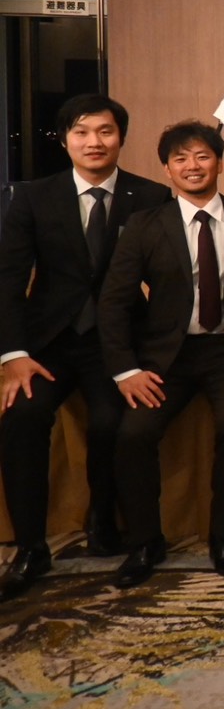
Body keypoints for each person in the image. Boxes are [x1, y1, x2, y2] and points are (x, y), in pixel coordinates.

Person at [0, 95, 171, 600]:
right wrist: (13, 355)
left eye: (105, 131)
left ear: (122, 137)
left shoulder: (151, 196)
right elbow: (8, 279)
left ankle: (103, 516)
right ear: (64, 139)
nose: (94, 142)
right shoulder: (32, 197)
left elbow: (168, 281)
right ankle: (31, 546)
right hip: (47, 343)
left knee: (111, 420)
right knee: (22, 418)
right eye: (81, 132)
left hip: (116, 343)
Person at [98, 121, 224, 587]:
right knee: (134, 433)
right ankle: (146, 541)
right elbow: (114, 301)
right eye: (180, 159)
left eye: (203, 156)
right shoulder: (145, 225)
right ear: (166, 169)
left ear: (220, 163)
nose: (193, 166)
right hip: (167, 354)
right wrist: (125, 369)